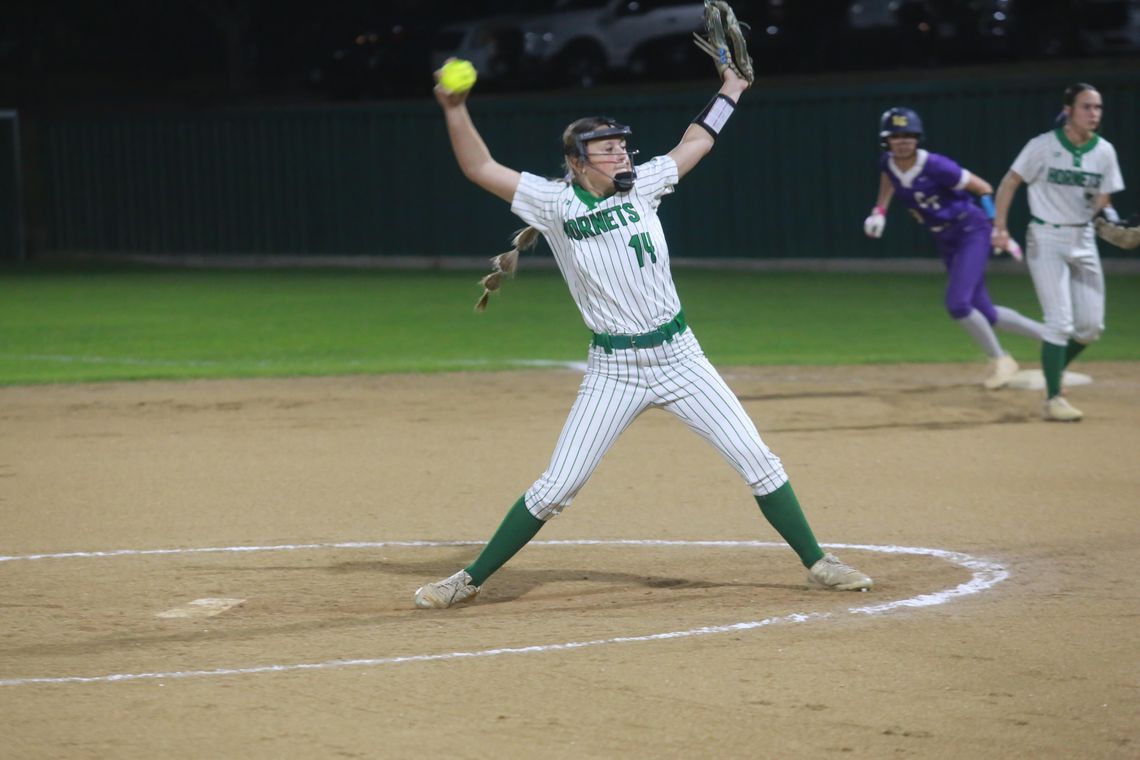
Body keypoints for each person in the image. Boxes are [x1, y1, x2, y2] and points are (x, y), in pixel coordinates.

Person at [414, 62, 873, 609]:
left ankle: (818, 563)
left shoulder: (645, 186)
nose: (621, 155)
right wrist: (455, 107)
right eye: (606, 150)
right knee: (558, 487)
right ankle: (468, 579)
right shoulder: (555, 205)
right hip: (614, 371)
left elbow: (698, 140)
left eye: (622, 147)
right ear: (577, 163)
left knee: (759, 460)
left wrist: (731, 88)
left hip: (681, 358)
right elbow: (479, 165)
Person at [862, 107, 1046, 390]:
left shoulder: (936, 165)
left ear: (917, 137)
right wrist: (880, 211)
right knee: (985, 312)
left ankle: (1001, 360)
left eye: (908, 135)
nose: (902, 141)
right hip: (946, 239)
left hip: (970, 230)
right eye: (895, 136)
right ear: (886, 140)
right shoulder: (888, 162)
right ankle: (1052, 337)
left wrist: (997, 228)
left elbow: (983, 187)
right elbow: (888, 178)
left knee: (958, 303)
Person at [992, 83, 1125, 422]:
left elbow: (1103, 198)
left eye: (1098, 108)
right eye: (1086, 107)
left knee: (1091, 327)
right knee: (1060, 321)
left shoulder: (1104, 151)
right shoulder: (1043, 146)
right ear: (1068, 110)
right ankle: (1053, 400)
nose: (1094, 114)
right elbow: (1010, 182)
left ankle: (1054, 369)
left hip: (1083, 239)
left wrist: (1108, 219)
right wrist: (1000, 227)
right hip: (1046, 238)